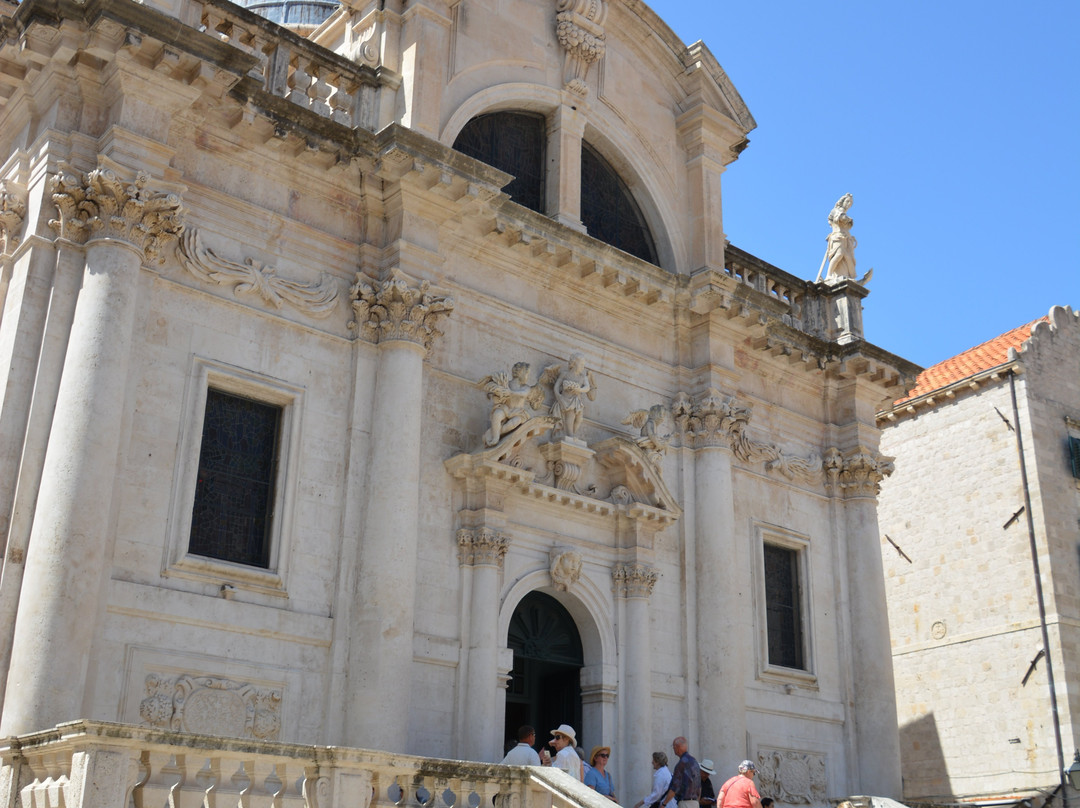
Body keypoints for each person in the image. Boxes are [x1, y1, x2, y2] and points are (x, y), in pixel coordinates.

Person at [660, 737, 700, 808]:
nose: (673, 749)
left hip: (685, 803)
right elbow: (699, 786)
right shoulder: (695, 762)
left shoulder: (681, 764)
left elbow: (675, 787)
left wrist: (664, 804)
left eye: (673, 746)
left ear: (677, 747)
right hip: (695, 803)